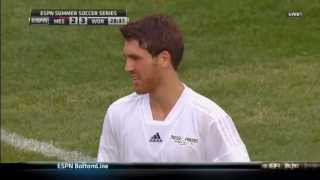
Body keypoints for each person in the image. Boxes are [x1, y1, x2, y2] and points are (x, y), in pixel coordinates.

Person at [97, 15, 250, 162]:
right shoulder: (118, 113)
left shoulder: (209, 119)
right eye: (127, 58)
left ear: (164, 59)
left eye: (136, 58)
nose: (128, 67)